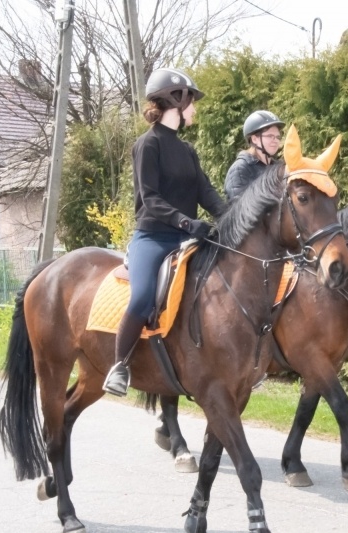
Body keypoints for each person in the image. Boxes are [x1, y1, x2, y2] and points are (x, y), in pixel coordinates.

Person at [102, 67, 227, 396]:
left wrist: (232, 217)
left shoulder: (187, 151)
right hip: (154, 238)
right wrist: (186, 222)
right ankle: (119, 366)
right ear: (177, 101)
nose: (195, 109)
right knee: (143, 297)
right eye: (192, 102)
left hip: (187, 240)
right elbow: (150, 199)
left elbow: (206, 193)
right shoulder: (148, 145)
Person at [224, 110, 285, 201]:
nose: (275, 140)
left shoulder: (278, 167)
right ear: (254, 139)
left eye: (277, 137)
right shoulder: (240, 169)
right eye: (270, 136)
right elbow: (239, 206)